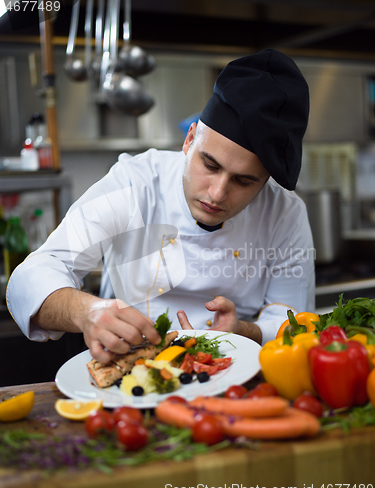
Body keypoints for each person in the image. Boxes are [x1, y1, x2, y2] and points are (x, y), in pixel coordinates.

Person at [6, 48, 315, 364]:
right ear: (189, 140)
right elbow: (33, 275)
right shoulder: (136, 183)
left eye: (243, 181)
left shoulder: (285, 212)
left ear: (265, 182)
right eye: (209, 164)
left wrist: (242, 330)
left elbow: (292, 321)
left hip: (232, 370)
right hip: (129, 370)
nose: (218, 192)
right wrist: (88, 312)